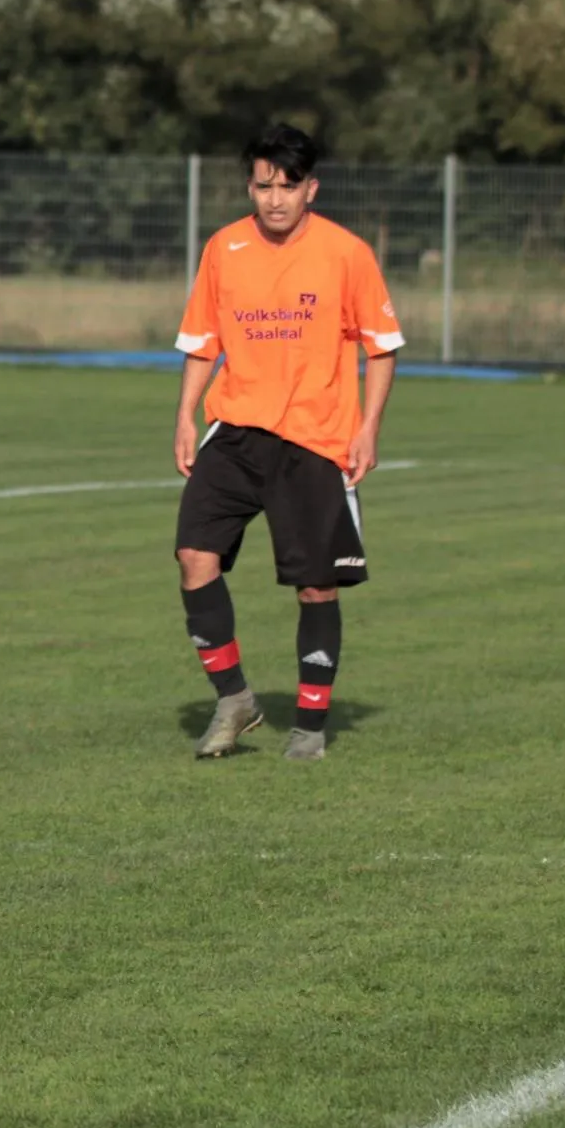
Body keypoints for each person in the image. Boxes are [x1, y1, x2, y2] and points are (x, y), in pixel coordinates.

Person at [172, 124, 402, 762]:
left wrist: (368, 429)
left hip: (314, 438)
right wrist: (185, 415)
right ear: (250, 187)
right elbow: (203, 342)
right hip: (235, 431)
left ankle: (309, 726)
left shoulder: (346, 253)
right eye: (263, 186)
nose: (275, 199)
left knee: (315, 586)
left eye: (288, 186)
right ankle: (234, 699)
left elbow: (382, 348)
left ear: (311, 189)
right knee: (193, 556)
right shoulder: (224, 248)